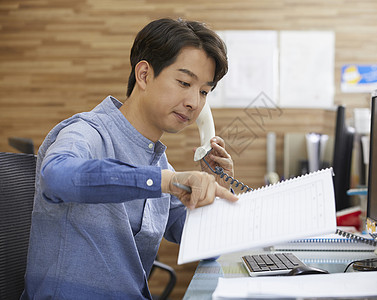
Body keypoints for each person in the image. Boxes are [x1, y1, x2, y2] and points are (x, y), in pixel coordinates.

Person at [21, 18, 238, 299]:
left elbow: (207, 243)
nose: (194, 103)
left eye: (204, 92)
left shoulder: (159, 165)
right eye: (184, 82)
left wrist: (221, 184)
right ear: (145, 75)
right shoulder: (86, 132)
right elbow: (56, 177)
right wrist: (166, 182)